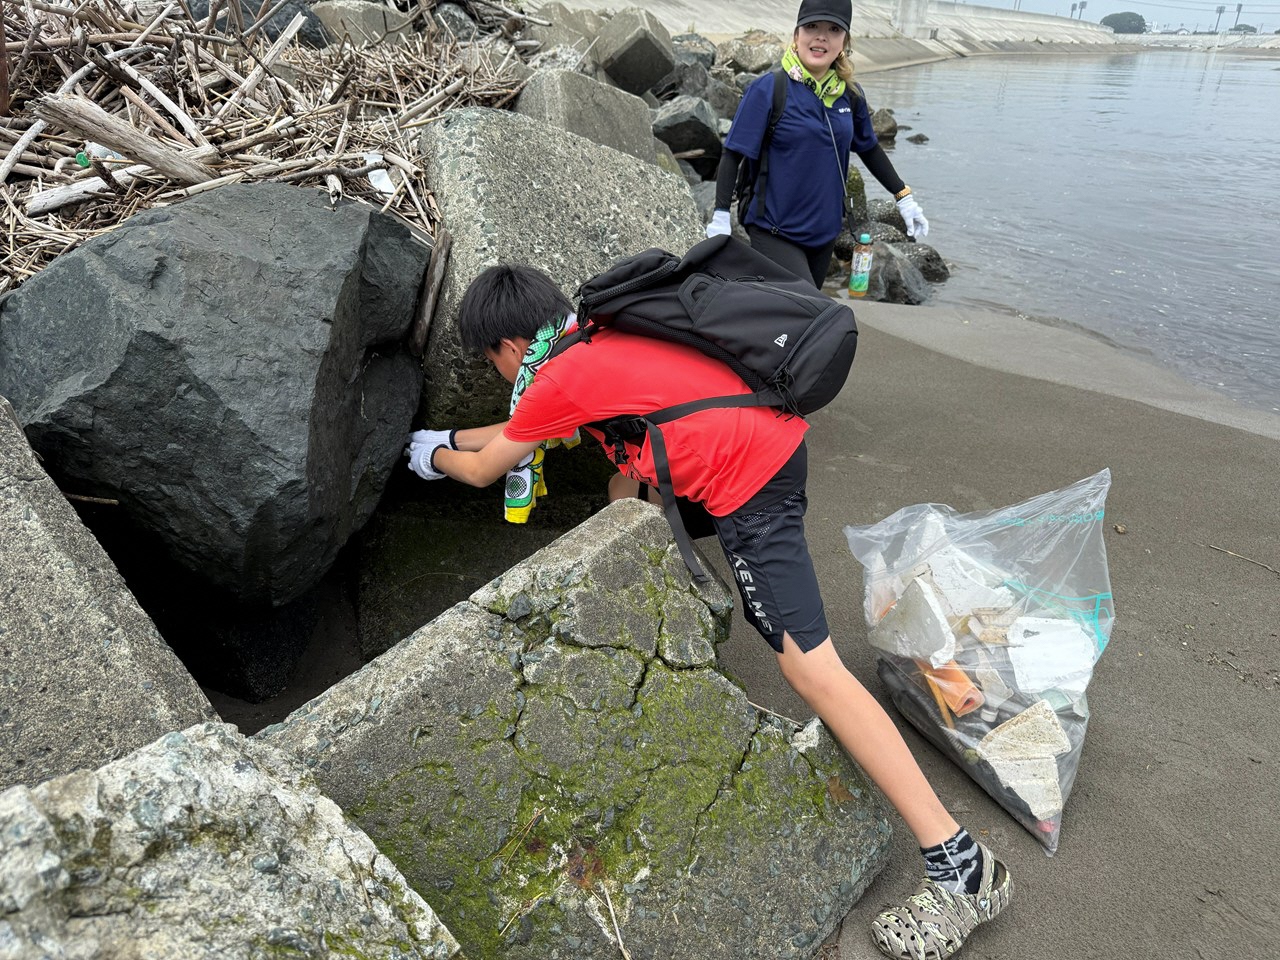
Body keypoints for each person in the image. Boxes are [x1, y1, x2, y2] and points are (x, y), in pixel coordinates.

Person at [406, 263, 1012, 960]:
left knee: (812, 670)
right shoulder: (590, 339)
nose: (498, 371)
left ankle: (961, 865)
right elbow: (522, 429)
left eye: (492, 360)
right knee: (622, 488)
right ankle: (681, 604)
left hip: (751, 485)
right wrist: (448, 438)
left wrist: (432, 455)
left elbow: (487, 465)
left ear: (510, 346)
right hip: (759, 439)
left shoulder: (559, 377)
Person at [707, 0, 929, 289]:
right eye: (812, 26)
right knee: (808, 306)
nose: (821, 37)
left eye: (834, 30)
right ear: (797, 34)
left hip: (825, 234)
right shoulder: (770, 89)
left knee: (799, 313)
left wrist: (903, 196)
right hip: (773, 229)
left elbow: (869, 148)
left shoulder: (850, 95)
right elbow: (732, 153)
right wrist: (721, 214)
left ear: (844, 42)